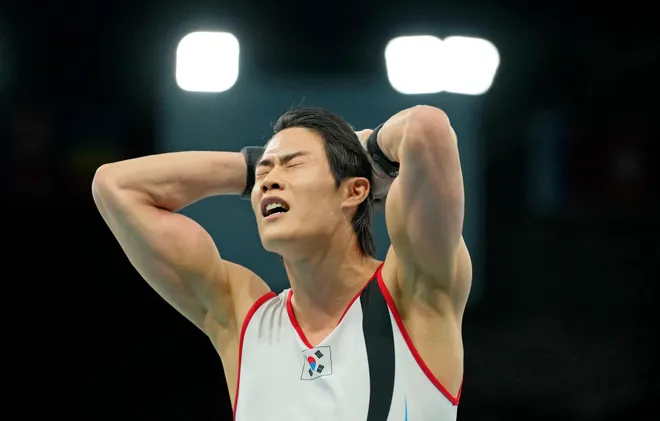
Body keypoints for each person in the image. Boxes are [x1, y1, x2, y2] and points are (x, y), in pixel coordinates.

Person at [92, 105, 471, 421]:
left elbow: (426, 128)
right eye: (264, 174)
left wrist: (370, 152)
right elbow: (114, 186)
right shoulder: (243, 320)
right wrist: (254, 167)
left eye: (293, 165)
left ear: (355, 189)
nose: (269, 182)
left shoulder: (413, 295)